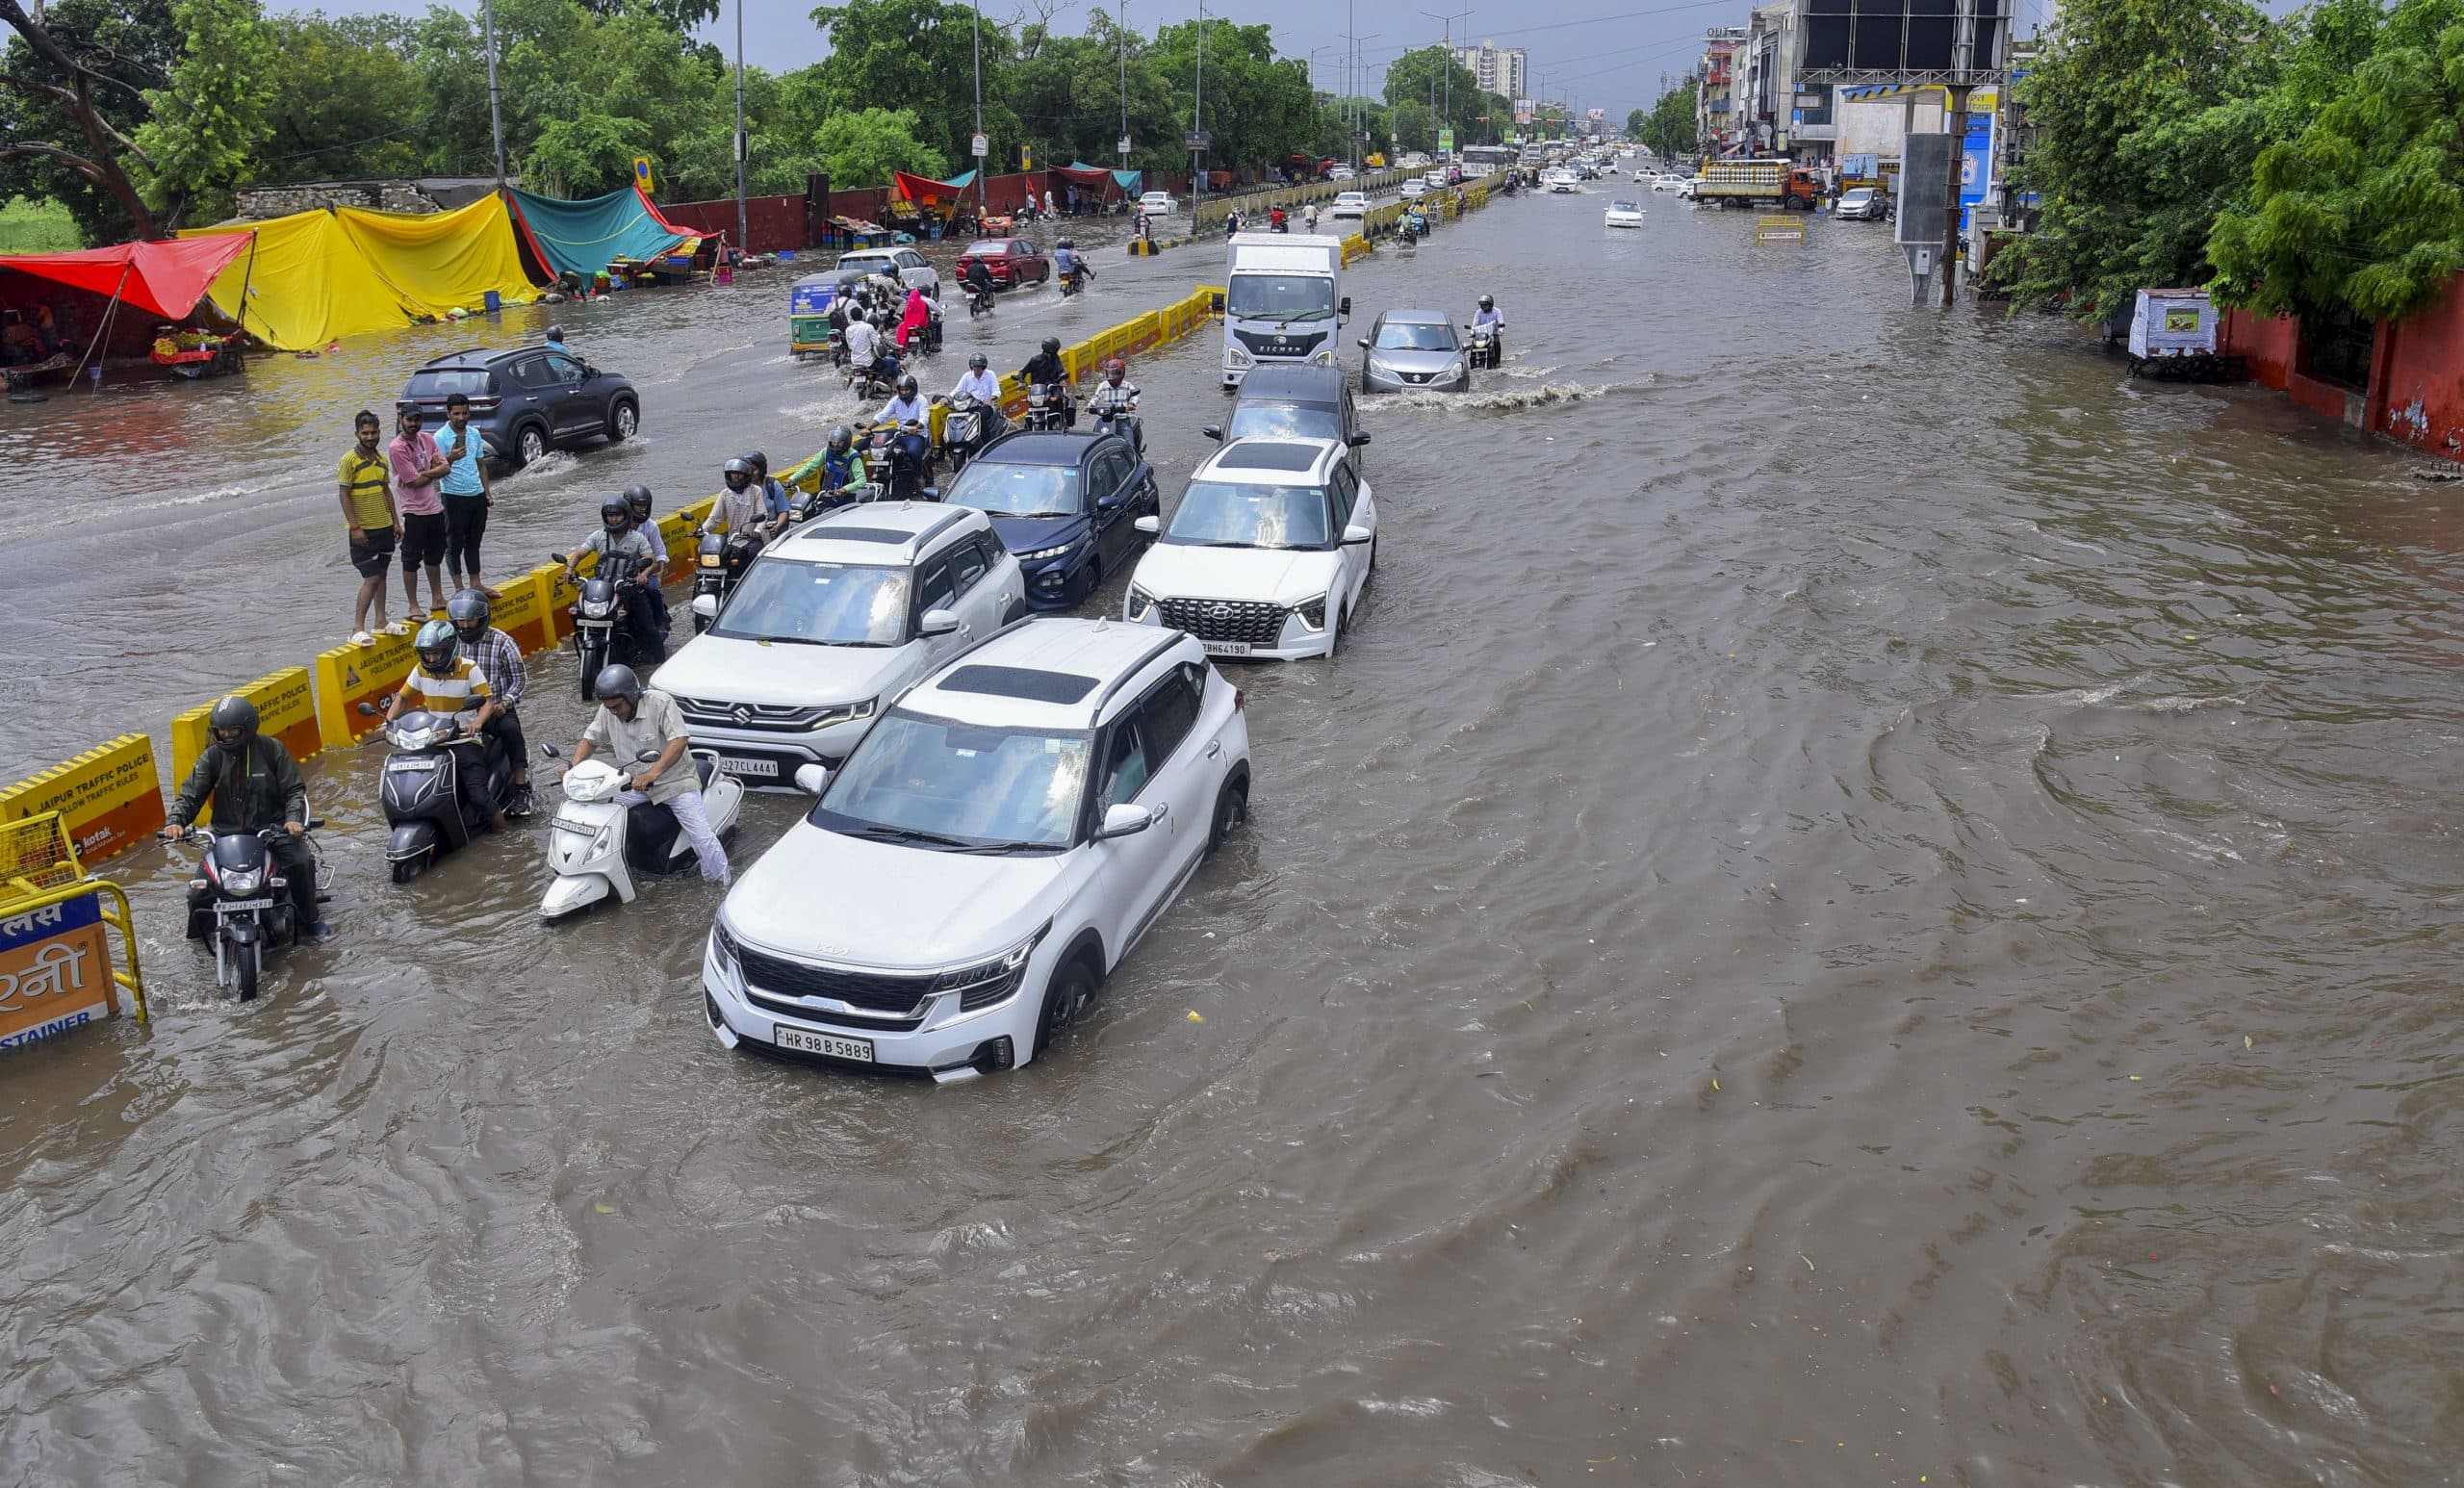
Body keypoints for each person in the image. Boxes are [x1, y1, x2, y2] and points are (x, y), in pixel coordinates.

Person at [163, 697, 325, 941]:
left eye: (232, 731)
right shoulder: (211, 758)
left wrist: (292, 821)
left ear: (248, 728)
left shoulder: (272, 750)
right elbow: (190, 795)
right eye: (221, 731)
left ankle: (310, 920)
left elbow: (294, 791)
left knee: (302, 862)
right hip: (224, 836)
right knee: (198, 891)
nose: (226, 735)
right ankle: (198, 939)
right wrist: (176, 821)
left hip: (272, 832)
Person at [571, 665, 728, 885]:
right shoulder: (608, 712)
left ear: (631, 696)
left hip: (676, 782)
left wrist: (652, 774)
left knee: (701, 836)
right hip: (634, 785)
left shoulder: (660, 703)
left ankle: (722, 883)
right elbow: (591, 739)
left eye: (617, 706)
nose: (614, 712)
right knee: (597, 809)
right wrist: (574, 768)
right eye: (609, 708)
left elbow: (679, 741)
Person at [386, 619, 507, 833]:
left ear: (450, 650)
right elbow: (403, 698)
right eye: (427, 654)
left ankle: (504, 835)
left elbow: (487, 701)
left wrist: (477, 723)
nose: (431, 658)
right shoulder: (420, 670)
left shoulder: (470, 669)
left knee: (479, 796)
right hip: (433, 739)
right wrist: (388, 722)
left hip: (464, 740)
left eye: (436, 653)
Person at [447, 589, 533, 815]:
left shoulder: (502, 642)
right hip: (460, 712)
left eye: (470, 620)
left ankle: (521, 787)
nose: (464, 625)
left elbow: (520, 679)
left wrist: (505, 702)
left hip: (495, 710)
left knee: (511, 729)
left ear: (482, 618)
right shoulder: (450, 642)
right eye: (460, 620)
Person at [565, 497, 665, 662]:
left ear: (625, 515)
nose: (613, 519)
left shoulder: (637, 538)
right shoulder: (599, 536)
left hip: (629, 588)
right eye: (610, 515)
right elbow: (579, 553)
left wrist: (643, 575)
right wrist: (569, 569)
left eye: (617, 515)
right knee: (576, 611)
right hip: (603, 590)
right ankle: (587, 643)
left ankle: (661, 663)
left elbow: (651, 560)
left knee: (649, 629)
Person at [339, 410, 404, 646]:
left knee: (382, 574)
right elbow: (344, 494)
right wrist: (355, 527)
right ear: (357, 433)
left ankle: (381, 622)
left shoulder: (381, 460)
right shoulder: (349, 461)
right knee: (372, 577)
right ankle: (357, 628)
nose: (370, 436)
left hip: (384, 527)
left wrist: (396, 521)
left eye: (374, 432)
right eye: (365, 433)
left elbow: (386, 491)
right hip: (363, 531)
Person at [388, 407, 451, 627]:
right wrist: (429, 471)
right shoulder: (397, 447)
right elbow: (412, 482)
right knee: (411, 558)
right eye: (409, 420)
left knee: (435, 554)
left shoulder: (426, 439)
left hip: (434, 506)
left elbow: (445, 468)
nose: (413, 424)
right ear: (401, 420)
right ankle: (413, 605)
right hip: (412, 510)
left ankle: (437, 598)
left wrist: (423, 473)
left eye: (416, 419)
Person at [438, 393, 495, 600]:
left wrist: (487, 492)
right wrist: (450, 458)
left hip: (476, 494)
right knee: (454, 543)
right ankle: (459, 588)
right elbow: (435, 469)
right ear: (448, 414)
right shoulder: (440, 437)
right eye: (456, 414)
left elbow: (481, 464)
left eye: (464, 413)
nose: (461, 417)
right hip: (453, 495)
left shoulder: (474, 434)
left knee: (474, 541)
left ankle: (476, 583)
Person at [624, 483, 673, 634]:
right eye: (638, 505)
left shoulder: (650, 526)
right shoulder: (617, 524)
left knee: (653, 590)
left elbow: (659, 552)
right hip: (621, 572)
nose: (642, 508)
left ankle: (660, 622)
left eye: (644, 505)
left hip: (646, 571)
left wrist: (658, 575)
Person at [876, 375, 933, 497]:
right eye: (902, 390)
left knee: (913, 452)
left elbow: (924, 418)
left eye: (907, 390)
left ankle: (918, 474)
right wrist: (867, 427)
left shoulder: (921, 400)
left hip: (916, 435)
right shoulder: (895, 400)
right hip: (900, 433)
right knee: (881, 444)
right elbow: (883, 415)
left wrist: (916, 427)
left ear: (913, 389)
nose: (904, 392)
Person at [710, 457, 774, 544]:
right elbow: (714, 518)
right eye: (733, 473)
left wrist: (758, 530)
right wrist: (702, 530)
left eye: (739, 474)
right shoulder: (725, 494)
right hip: (733, 540)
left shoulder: (755, 491)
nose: (736, 476)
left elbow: (763, 515)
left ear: (746, 475)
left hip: (752, 540)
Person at [1088, 357, 1142, 452]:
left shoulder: (1127, 386)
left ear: (1121, 373)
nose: (1111, 377)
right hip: (1105, 420)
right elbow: (1095, 397)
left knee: (1129, 446)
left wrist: (1131, 404)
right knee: (1093, 444)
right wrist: (1090, 405)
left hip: (1122, 421)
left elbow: (1136, 396)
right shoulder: (1103, 386)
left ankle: (1134, 460)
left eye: (1114, 373)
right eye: (1109, 373)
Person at [1021, 336, 1073, 428]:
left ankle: (1061, 422)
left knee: (1059, 398)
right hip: (1037, 390)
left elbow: (1061, 371)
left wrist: (1062, 377)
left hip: (1052, 387)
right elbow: (1023, 372)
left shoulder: (1056, 360)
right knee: (1030, 403)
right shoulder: (1035, 360)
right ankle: (1027, 426)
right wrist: (1020, 381)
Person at [819, 424, 868, 499]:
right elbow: (809, 468)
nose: (835, 445)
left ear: (846, 442)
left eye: (839, 443)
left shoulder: (854, 457)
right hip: (826, 495)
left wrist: (845, 489)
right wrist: (794, 478)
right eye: (834, 442)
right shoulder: (825, 452)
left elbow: (861, 481)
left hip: (846, 498)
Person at [896, 285, 932, 352]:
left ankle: (902, 347)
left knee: (900, 329)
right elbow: (927, 316)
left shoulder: (908, 305)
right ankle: (930, 345)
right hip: (920, 325)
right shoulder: (923, 304)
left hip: (908, 325)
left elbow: (904, 316)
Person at [1473, 293, 1505, 361]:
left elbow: (1501, 322)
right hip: (1481, 333)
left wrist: (1501, 330)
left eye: (1485, 305)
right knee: (1473, 344)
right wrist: (1472, 331)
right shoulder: (1478, 312)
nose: (1483, 307)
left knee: (1496, 343)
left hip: (1493, 333)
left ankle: (1497, 361)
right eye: (1482, 305)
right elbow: (1475, 324)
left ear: (1490, 305)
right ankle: (1473, 362)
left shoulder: (1497, 311)